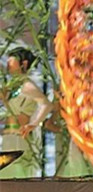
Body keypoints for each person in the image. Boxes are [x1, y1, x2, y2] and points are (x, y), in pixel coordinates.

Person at [0, 47, 54, 178]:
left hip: (20, 137)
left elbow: (46, 104)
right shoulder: (13, 86)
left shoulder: (27, 86)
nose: (8, 64)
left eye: (12, 61)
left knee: (18, 174)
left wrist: (34, 123)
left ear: (23, 64)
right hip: (9, 136)